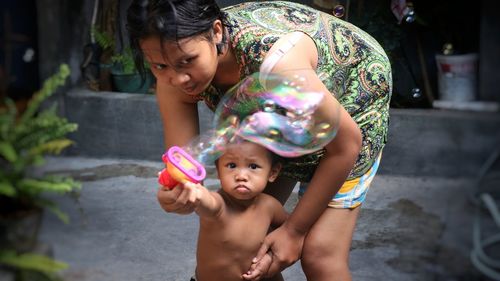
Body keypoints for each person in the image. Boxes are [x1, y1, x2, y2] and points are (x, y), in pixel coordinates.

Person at [127, 1, 392, 280]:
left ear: (216, 32)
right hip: (275, 111)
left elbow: (345, 146)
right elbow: (186, 173)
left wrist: (294, 231)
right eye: (159, 65)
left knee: (319, 255)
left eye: (188, 61)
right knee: (250, 234)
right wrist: (178, 194)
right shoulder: (173, 78)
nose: (177, 77)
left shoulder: (278, 64)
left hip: (351, 94)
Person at [177, 139, 287, 281]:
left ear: (273, 172)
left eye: (253, 166)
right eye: (232, 165)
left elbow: (289, 230)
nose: (241, 176)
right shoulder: (219, 204)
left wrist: (270, 257)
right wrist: (194, 191)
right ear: (218, 170)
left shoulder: (270, 206)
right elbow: (205, 201)